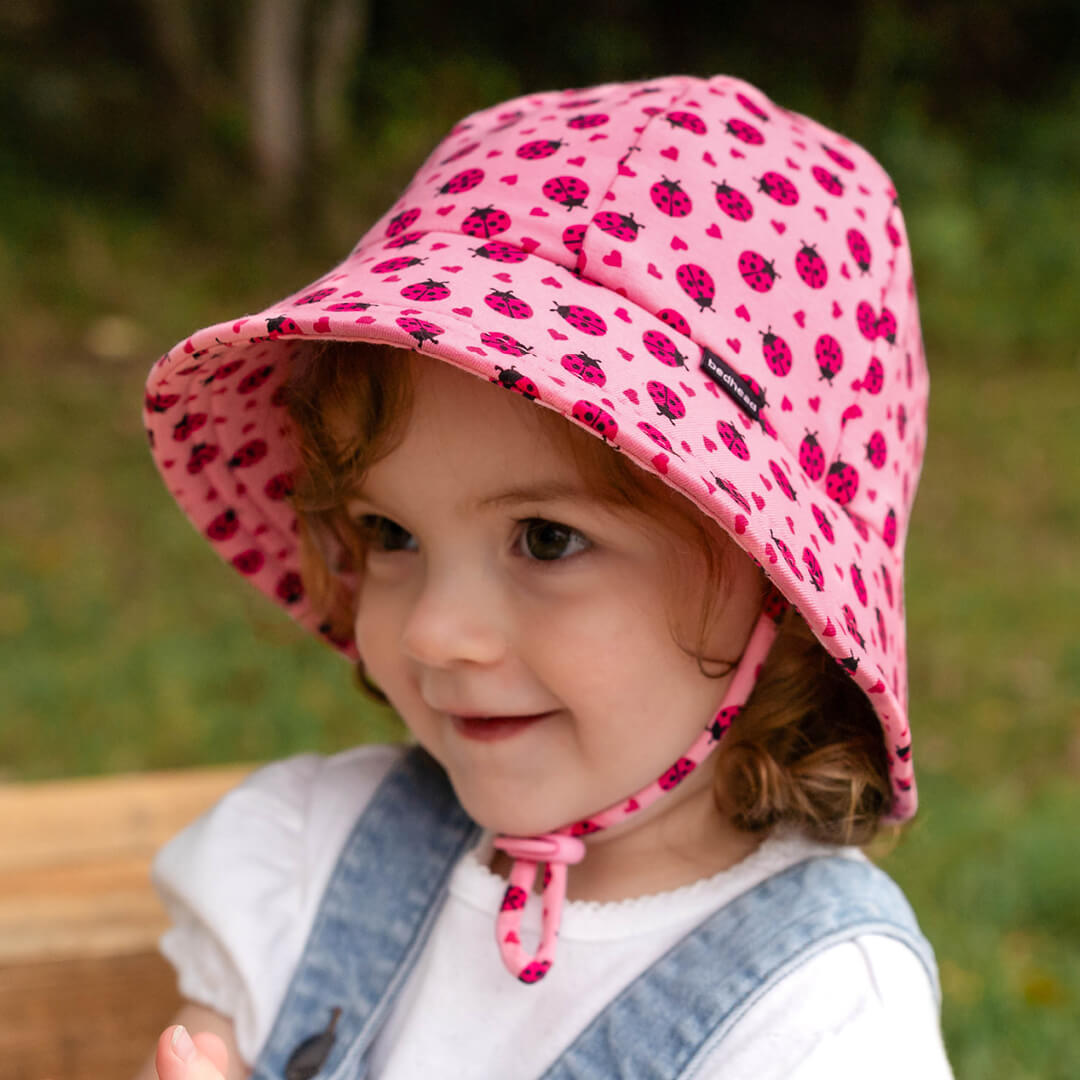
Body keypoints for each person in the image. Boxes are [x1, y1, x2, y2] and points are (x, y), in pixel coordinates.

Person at [136, 72, 953, 1079]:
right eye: (389, 533)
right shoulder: (306, 859)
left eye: (547, 540)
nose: (437, 631)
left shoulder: (816, 1018)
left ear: (778, 595)